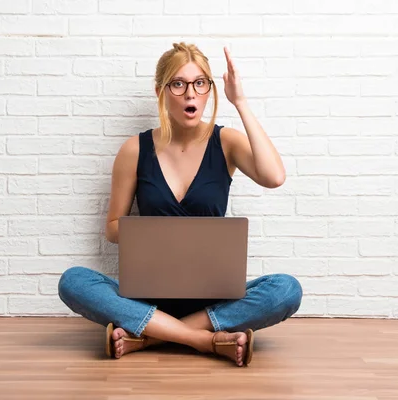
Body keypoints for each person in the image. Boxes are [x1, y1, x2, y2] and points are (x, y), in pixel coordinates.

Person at [58, 42, 303, 367]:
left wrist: (240, 102)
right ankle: (204, 340)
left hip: (213, 296)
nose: (191, 93)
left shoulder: (226, 142)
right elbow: (114, 229)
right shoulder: (134, 150)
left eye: (200, 83)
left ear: (209, 90)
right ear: (161, 90)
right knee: (73, 281)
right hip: (147, 294)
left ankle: (149, 335)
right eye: (179, 83)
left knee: (287, 290)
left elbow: (274, 177)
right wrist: (161, 235)